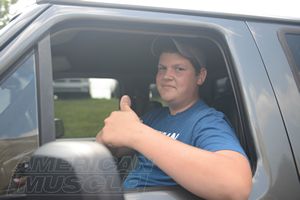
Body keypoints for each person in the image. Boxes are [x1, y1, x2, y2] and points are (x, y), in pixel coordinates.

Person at [96, 36, 252, 200]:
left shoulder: (208, 121)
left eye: (179, 69)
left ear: (200, 76)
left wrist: (137, 133)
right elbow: (111, 147)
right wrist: (110, 136)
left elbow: (236, 186)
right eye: (162, 68)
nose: (166, 76)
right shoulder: (154, 116)